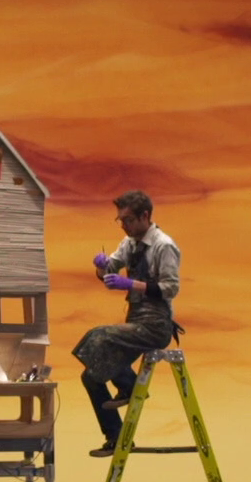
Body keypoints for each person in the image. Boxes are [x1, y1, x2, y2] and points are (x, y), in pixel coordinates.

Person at [72, 190, 181, 456]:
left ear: (145, 216)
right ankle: (117, 437)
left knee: (97, 337)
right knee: (90, 377)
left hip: (156, 325)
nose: (123, 225)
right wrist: (102, 267)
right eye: (120, 220)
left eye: (128, 219)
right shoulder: (129, 243)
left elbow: (171, 287)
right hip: (135, 322)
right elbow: (109, 270)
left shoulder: (163, 245)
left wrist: (131, 284)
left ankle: (129, 385)